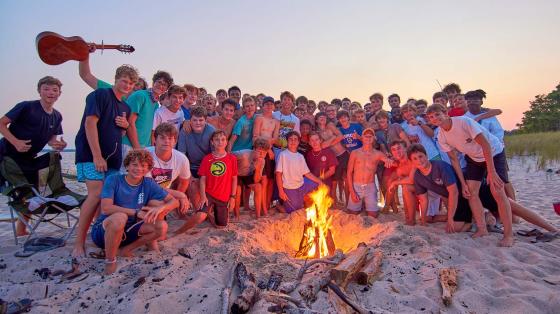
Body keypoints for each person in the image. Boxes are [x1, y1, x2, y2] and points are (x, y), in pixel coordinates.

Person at [408, 144, 559, 237]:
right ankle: (483, 217)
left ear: (426, 155)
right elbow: (424, 199)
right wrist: (422, 221)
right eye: (415, 159)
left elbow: (453, 192)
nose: (419, 161)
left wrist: (449, 218)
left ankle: (552, 228)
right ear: (411, 162)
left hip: (473, 189)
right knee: (458, 227)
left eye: (421, 156)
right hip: (462, 199)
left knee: (512, 206)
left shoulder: (440, 166)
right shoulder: (418, 176)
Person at [72, 65, 138, 258]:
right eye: (124, 81)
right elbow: (90, 123)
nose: (127, 85)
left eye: (131, 83)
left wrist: (127, 129)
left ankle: (100, 235)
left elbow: (122, 131)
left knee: (107, 199)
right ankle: (78, 243)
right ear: (116, 79)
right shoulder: (100, 95)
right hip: (90, 154)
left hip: (113, 159)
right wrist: (97, 155)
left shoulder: (125, 107)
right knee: (96, 194)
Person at [426, 104, 514, 247]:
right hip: (473, 158)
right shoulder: (441, 136)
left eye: (437, 114)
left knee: (497, 190)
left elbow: (485, 144)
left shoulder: (463, 122)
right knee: (471, 193)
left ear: (445, 113)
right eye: (431, 117)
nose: (435, 118)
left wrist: (491, 172)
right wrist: (463, 182)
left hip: (494, 152)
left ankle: (509, 235)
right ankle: (482, 229)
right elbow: (454, 159)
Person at [91, 150, 178, 274]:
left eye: (143, 166)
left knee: (162, 226)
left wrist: (160, 208)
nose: (138, 169)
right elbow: (106, 208)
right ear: (127, 166)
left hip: (128, 231)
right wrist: (136, 212)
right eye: (134, 164)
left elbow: (174, 202)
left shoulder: (148, 183)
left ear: (148, 169)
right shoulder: (113, 180)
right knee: (120, 217)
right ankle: (110, 260)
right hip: (104, 231)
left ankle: (125, 250)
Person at [0, 76, 67, 236]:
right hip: (6, 154)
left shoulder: (57, 116)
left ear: (59, 93)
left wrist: (58, 145)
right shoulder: (26, 106)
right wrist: (16, 142)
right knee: (14, 192)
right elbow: (1, 123)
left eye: (54, 90)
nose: (50, 92)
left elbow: (52, 140)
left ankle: (21, 230)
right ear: (39, 91)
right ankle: (21, 229)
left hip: (29, 158)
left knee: (31, 191)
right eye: (46, 89)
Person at [177, 130, 238, 231]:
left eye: (223, 140)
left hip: (223, 196)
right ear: (212, 142)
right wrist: (203, 196)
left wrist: (233, 197)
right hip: (208, 194)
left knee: (221, 226)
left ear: (226, 142)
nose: (220, 142)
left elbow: (234, 178)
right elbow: (202, 179)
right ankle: (179, 231)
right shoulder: (207, 159)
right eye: (217, 140)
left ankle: (210, 215)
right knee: (200, 216)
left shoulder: (232, 159)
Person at [123, 71, 173, 156]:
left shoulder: (156, 104)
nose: (161, 86)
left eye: (164, 84)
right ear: (154, 82)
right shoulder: (140, 95)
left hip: (144, 148)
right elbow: (130, 123)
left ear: (166, 89)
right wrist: (137, 148)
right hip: (128, 145)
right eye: (159, 82)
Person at [346, 128, 394, 217]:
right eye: (366, 136)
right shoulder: (355, 153)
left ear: (374, 138)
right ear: (362, 138)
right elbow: (349, 172)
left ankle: (366, 205)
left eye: (370, 136)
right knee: (353, 214)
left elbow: (389, 161)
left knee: (373, 215)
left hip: (370, 187)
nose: (368, 138)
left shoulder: (378, 154)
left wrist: (390, 160)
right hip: (356, 186)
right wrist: (352, 191)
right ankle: (361, 206)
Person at [147, 123, 191, 216]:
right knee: (157, 204)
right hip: (143, 192)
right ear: (155, 139)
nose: (166, 141)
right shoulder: (145, 155)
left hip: (163, 194)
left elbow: (184, 181)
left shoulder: (181, 158)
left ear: (175, 141)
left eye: (170, 138)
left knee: (172, 203)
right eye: (162, 138)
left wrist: (179, 196)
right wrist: (180, 195)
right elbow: (149, 186)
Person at [177, 106, 216, 210]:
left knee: (207, 183)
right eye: (194, 120)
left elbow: (214, 154)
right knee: (192, 183)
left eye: (200, 120)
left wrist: (205, 173)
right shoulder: (185, 131)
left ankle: (208, 208)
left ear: (205, 120)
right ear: (190, 120)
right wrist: (188, 174)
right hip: (190, 165)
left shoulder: (211, 131)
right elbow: (182, 155)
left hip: (207, 165)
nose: (197, 123)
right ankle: (197, 210)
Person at [276, 131, 322, 213]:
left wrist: (320, 181)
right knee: (293, 211)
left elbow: (307, 173)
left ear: (298, 142)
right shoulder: (283, 155)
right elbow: (278, 174)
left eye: (295, 139)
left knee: (317, 185)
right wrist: (281, 191)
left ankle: (304, 202)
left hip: (301, 185)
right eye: (290, 139)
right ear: (287, 141)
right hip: (289, 187)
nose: (293, 141)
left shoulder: (300, 156)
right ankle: (279, 204)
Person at [252, 96, 279, 213]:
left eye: (271, 104)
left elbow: (275, 138)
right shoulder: (259, 118)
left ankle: (266, 205)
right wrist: (267, 149)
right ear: (262, 106)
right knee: (262, 180)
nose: (269, 106)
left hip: (270, 152)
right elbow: (255, 136)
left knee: (270, 181)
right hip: (261, 152)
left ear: (274, 106)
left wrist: (269, 148)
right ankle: (260, 208)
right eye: (266, 104)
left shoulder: (276, 121)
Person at [315, 112, 347, 206]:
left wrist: (330, 142)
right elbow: (322, 146)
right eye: (320, 117)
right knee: (334, 181)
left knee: (346, 179)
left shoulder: (330, 126)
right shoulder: (317, 132)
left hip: (343, 154)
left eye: (324, 117)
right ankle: (334, 203)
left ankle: (347, 201)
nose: (322, 118)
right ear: (316, 120)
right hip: (333, 157)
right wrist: (333, 138)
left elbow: (341, 136)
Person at [232, 138, 269, 218]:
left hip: (248, 174)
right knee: (237, 190)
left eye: (264, 152)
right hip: (236, 174)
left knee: (258, 187)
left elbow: (256, 180)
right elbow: (228, 157)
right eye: (259, 151)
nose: (261, 154)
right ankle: (236, 215)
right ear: (254, 149)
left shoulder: (262, 161)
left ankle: (258, 216)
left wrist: (258, 169)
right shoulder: (243, 154)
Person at [305, 132, 338, 201]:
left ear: (320, 140)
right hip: (312, 186)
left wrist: (319, 179)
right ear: (309, 143)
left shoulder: (328, 152)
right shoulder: (308, 154)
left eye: (316, 139)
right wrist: (315, 181)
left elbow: (332, 170)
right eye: (312, 140)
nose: (314, 142)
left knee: (324, 207)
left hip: (325, 185)